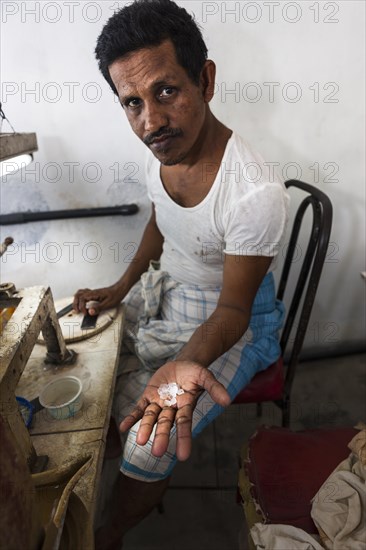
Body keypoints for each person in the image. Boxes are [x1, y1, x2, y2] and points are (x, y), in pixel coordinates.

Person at [73, 0, 289, 548]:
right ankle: (118, 482)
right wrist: (122, 288)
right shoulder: (161, 149)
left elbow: (235, 311)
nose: (151, 121)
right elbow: (160, 222)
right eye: (132, 103)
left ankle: (111, 531)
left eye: (166, 91)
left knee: (150, 439)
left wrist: (187, 363)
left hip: (234, 317)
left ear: (206, 79)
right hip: (169, 291)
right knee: (86, 366)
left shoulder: (255, 194)